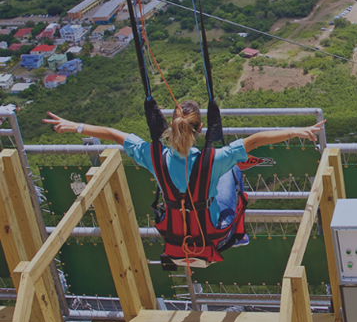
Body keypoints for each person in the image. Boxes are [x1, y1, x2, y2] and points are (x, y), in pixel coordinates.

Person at [44, 103, 325, 267]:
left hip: (176, 236)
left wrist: (75, 126)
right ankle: (239, 235)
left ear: (172, 128)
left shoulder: (154, 157)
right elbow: (256, 140)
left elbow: (113, 134)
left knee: (217, 174)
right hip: (215, 235)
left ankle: (233, 234)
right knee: (232, 171)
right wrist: (297, 131)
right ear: (200, 129)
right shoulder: (215, 159)